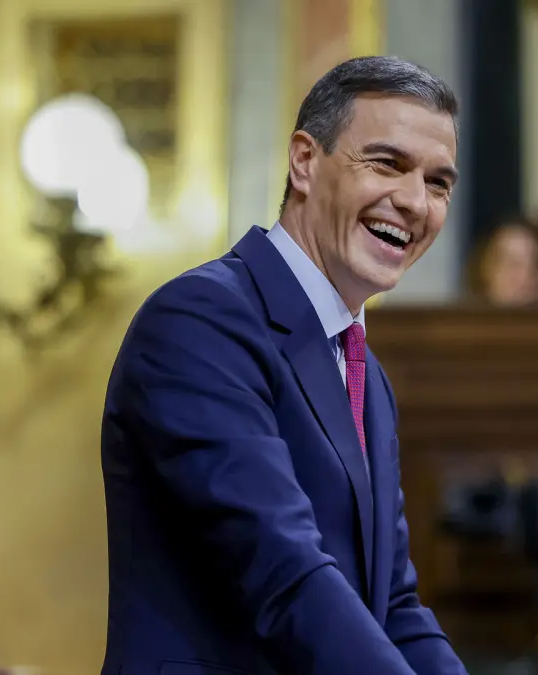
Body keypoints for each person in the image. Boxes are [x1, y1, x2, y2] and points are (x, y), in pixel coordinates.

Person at [100, 56, 467, 675]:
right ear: (304, 162)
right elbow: (281, 568)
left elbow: (394, 608)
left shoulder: (365, 374)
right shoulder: (201, 320)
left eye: (437, 183)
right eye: (387, 163)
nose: (413, 201)